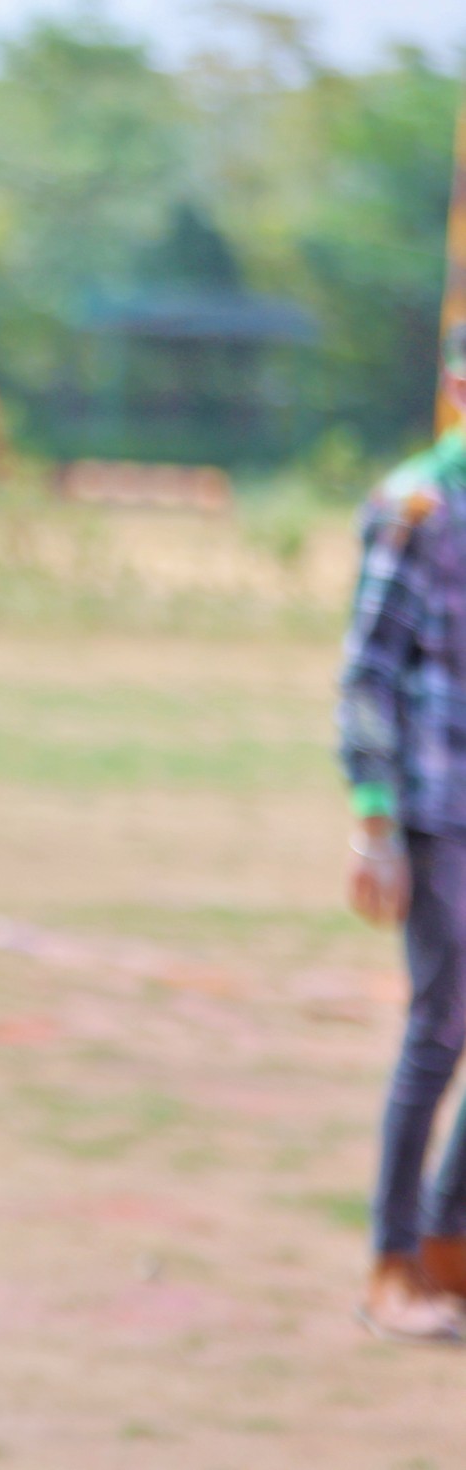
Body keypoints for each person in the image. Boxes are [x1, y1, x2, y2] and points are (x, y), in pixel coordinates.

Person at [342, 323, 466, 1344]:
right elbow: (369, 670)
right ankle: (392, 1262)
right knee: (440, 1026)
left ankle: (448, 1245)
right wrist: (374, 819)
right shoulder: (416, 507)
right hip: (436, 805)